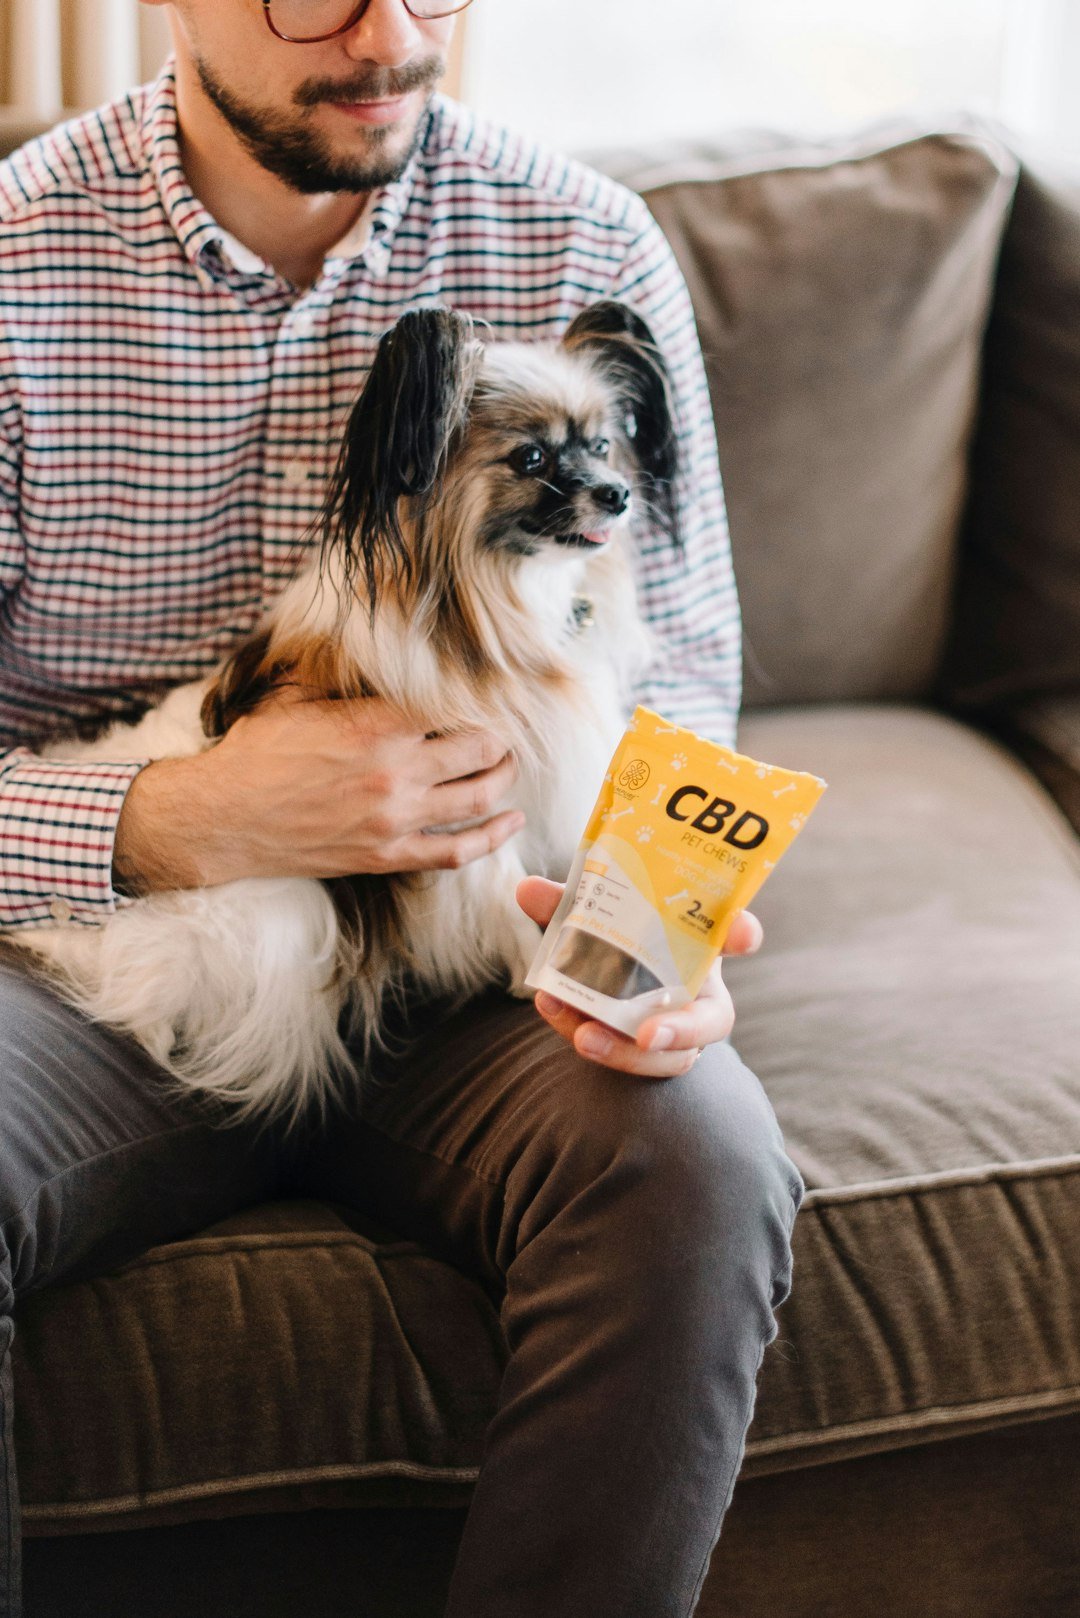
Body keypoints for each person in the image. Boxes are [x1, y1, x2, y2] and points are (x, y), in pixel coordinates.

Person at [0, 1, 806, 1613]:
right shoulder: (17, 272)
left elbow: (689, 674)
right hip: (113, 946)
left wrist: (658, 927)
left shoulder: (586, 240)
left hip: (479, 966)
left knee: (699, 1164)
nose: (385, 32)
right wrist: (180, 818)